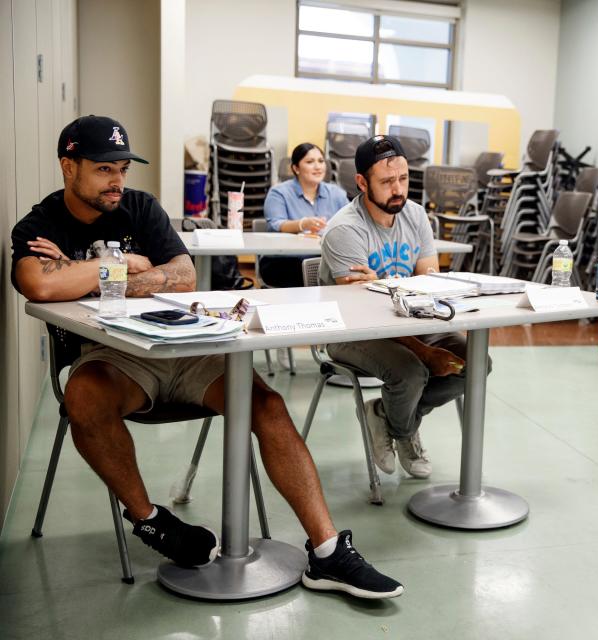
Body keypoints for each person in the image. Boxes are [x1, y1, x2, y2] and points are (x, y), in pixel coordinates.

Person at [12, 115, 402, 599]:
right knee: (83, 398)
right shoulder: (41, 223)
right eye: (104, 170)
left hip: (184, 346)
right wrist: (116, 264)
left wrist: (87, 272)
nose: (117, 182)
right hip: (113, 357)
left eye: (122, 170)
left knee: (267, 404)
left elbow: (183, 277)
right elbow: (40, 284)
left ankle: (326, 553)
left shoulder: (140, 207)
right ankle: (150, 520)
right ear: (68, 167)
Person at [319, 135, 489, 479]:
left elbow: (428, 287)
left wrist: (380, 284)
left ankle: (391, 417)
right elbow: (364, 312)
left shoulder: (414, 216)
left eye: (403, 179)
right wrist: (424, 353)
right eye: (386, 182)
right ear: (362, 183)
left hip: (408, 321)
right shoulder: (345, 230)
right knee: (411, 371)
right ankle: (406, 429)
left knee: (475, 364)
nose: (398, 190)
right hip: (348, 330)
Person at [259, 142, 349, 288]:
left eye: (321, 161)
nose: (318, 166)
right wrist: (302, 224)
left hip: (327, 259)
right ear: (296, 168)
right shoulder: (279, 193)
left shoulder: (337, 193)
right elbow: (275, 224)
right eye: (310, 162)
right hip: (285, 261)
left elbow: (351, 223)